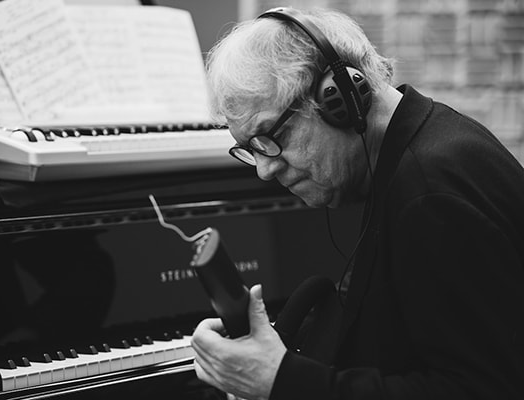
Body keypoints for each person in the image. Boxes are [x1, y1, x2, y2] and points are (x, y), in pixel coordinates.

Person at [190, 6, 524, 400]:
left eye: (270, 137)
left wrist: (280, 381)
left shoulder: (431, 195)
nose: (264, 170)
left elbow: (480, 390)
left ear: (341, 98)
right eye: (251, 149)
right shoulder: (420, 150)